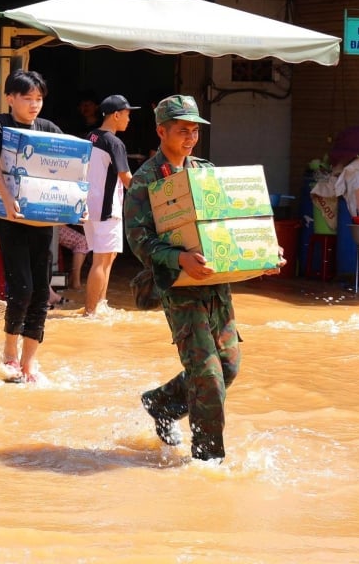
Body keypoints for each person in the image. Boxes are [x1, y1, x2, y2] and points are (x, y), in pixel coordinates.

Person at [123, 94, 282, 462]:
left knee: (228, 366)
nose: (191, 137)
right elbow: (139, 241)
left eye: (195, 130)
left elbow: (226, 225)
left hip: (215, 285)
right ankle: (208, 461)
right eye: (182, 130)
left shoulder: (205, 171)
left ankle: (161, 403)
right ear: (161, 131)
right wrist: (178, 257)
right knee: (206, 375)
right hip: (179, 287)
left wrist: (262, 255)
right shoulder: (146, 181)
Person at [0, 69, 63, 384]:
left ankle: (30, 363)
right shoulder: (0, 125)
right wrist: (6, 195)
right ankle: (9, 353)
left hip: (42, 222)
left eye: (39, 99)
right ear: (11, 98)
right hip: (11, 222)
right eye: (27, 98)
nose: (34, 105)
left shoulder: (48, 129)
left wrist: (77, 205)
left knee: (42, 292)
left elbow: (70, 168)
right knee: (22, 290)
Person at [83, 94, 138, 316]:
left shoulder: (91, 136)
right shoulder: (114, 143)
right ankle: (90, 312)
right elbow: (127, 179)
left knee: (108, 257)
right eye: (127, 115)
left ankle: (100, 306)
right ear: (116, 115)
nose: (129, 119)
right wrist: (151, 195)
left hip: (89, 206)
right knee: (101, 260)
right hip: (107, 209)